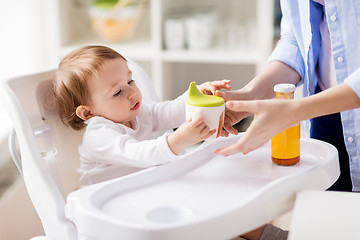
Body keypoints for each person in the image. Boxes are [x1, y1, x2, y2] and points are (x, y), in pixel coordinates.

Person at [215, 0, 360, 195]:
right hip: (324, 116)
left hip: (321, 107)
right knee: (331, 215)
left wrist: (295, 111)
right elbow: (295, 39)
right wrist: (251, 95)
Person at [54, 45, 231, 186]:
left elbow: (168, 111)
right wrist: (179, 140)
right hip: (105, 205)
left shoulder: (137, 113)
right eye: (117, 92)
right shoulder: (99, 136)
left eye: (130, 81)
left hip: (142, 190)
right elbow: (138, 154)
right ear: (88, 112)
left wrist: (196, 96)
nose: (132, 92)